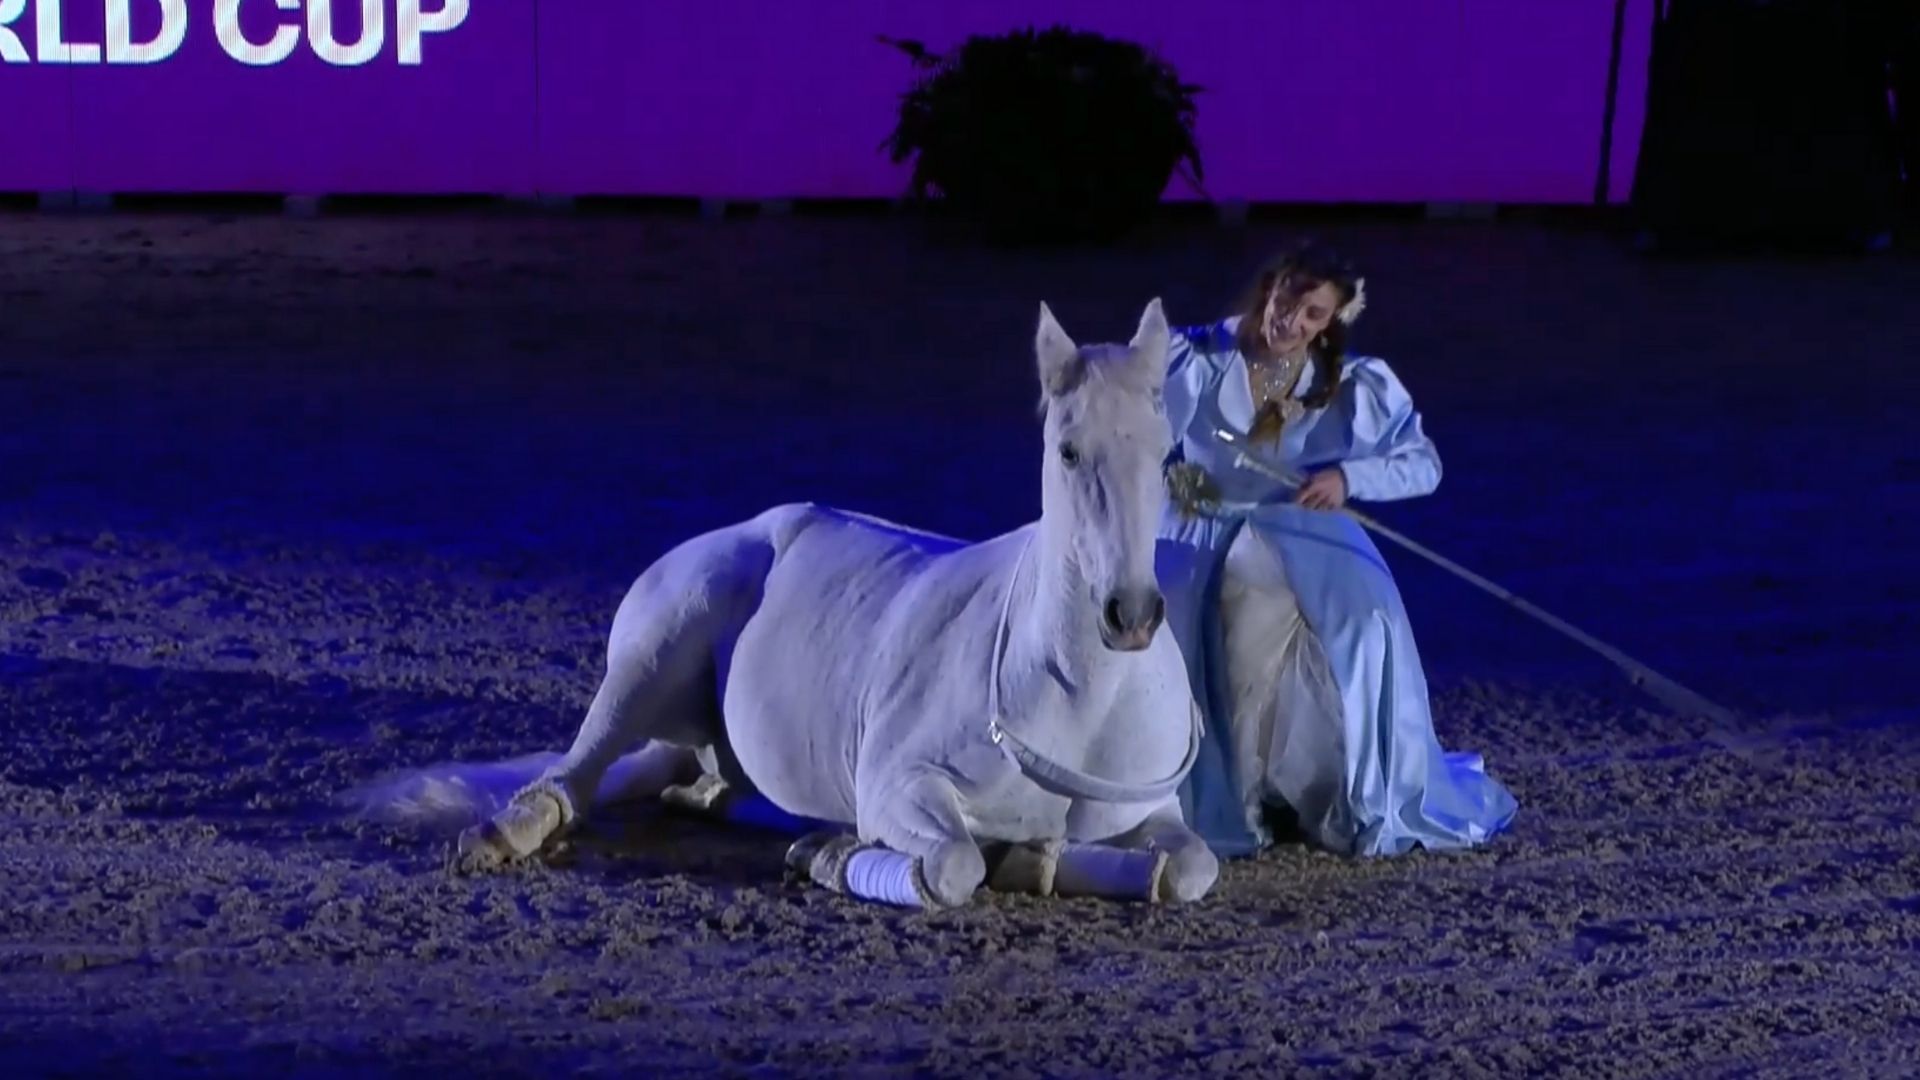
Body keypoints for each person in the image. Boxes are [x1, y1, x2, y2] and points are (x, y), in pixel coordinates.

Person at [1155, 241, 1517, 858]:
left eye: (1313, 314)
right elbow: (1128, 427)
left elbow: (1422, 462)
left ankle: (1342, 787)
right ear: (1270, 287)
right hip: (1207, 528)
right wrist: (1172, 476)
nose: (1292, 322)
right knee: (1245, 608)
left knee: (1365, 620)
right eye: (1288, 299)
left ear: (1331, 322)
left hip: (1305, 530)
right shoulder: (1192, 356)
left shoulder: (1352, 382)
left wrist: (1349, 479)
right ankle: (1237, 793)